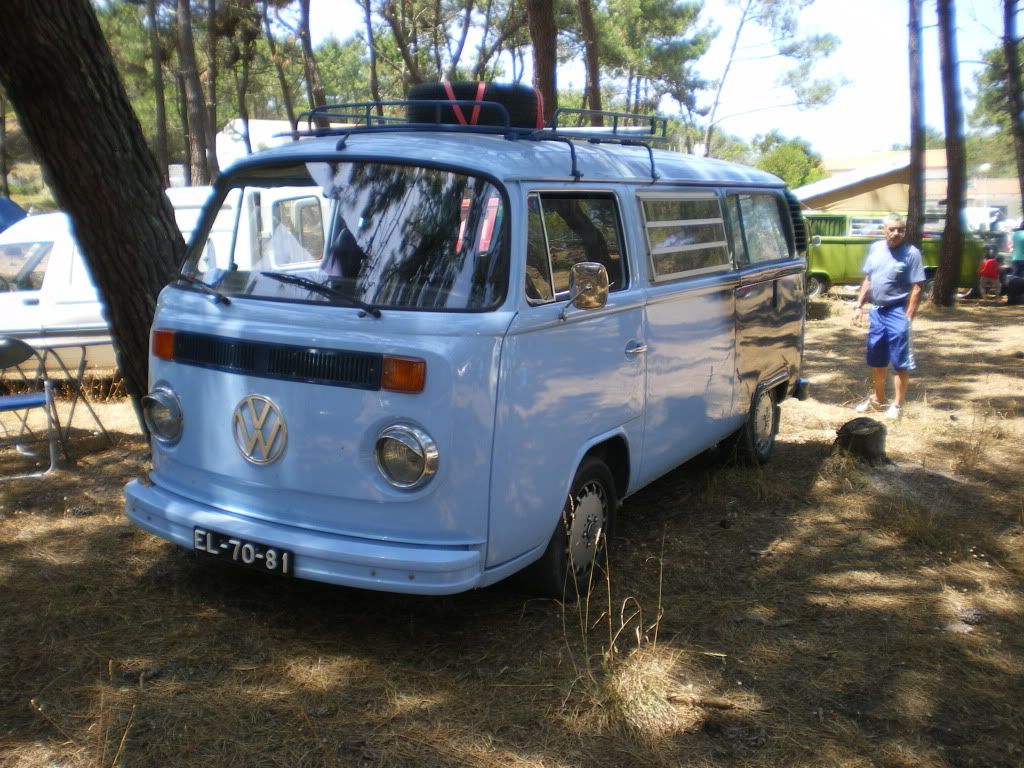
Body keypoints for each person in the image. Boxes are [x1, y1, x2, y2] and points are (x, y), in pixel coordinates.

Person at [851, 213, 925, 420]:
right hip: (877, 310)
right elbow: (869, 279)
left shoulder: (912, 253)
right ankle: (878, 399)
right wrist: (858, 305)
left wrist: (908, 315)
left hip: (897, 311)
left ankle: (897, 405)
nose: (896, 233)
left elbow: (918, 286)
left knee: (900, 360)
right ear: (884, 230)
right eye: (891, 229)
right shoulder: (875, 249)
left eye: (900, 229)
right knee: (876, 358)